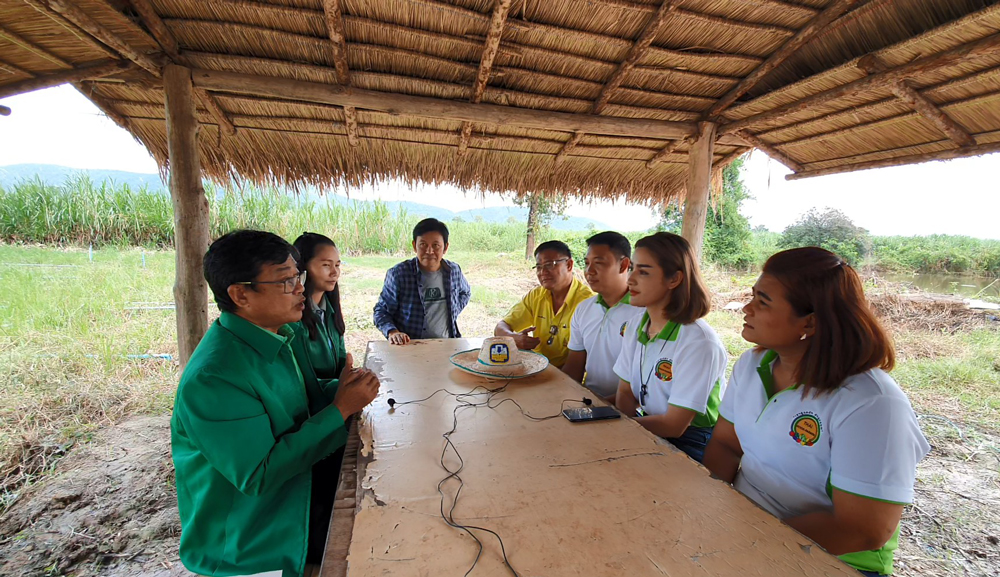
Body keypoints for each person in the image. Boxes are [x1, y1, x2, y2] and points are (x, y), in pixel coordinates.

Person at [703, 247, 929, 577]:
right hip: (746, 524)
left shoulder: (870, 403)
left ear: (810, 321)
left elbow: (864, 529)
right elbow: (725, 444)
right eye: (752, 296)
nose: (746, 308)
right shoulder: (753, 365)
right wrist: (709, 505)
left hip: (829, 556)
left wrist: (751, 541)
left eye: (763, 301)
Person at [171, 230, 380, 577]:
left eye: (297, 276)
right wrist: (341, 408)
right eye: (285, 282)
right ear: (241, 294)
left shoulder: (279, 333)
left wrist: (342, 389)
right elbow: (259, 475)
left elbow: (307, 397)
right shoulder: (215, 377)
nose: (300, 288)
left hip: (300, 486)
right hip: (256, 534)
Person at [613, 232, 726, 462]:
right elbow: (625, 392)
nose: (630, 279)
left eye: (643, 272)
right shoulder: (637, 325)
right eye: (632, 268)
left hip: (690, 439)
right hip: (646, 422)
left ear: (674, 279)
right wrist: (622, 436)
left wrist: (619, 431)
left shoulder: (699, 342)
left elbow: (675, 426)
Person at [563, 231, 642, 403]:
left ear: (623, 265)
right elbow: (574, 367)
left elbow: (644, 385)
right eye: (586, 263)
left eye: (598, 263)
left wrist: (602, 404)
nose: (589, 271)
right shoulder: (584, 309)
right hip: (589, 401)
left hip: (632, 411)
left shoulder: (643, 313)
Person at [495, 240, 594, 368]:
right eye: (539, 267)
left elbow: (579, 365)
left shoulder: (587, 303)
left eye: (549, 265)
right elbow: (500, 328)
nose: (542, 272)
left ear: (569, 265)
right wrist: (513, 338)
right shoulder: (536, 296)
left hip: (567, 377)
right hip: (536, 367)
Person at [373, 218, 471, 345]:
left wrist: (452, 310)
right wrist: (393, 332)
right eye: (423, 245)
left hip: (448, 344)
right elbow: (381, 311)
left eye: (436, 245)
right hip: (410, 346)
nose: (429, 251)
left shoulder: (453, 271)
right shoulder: (399, 274)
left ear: (445, 247)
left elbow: (465, 293)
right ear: (414, 246)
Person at [292, 232, 348, 383]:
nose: (335, 272)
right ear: (302, 267)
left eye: (337, 265)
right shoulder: (293, 318)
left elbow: (342, 360)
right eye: (326, 265)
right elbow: (303, 379)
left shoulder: (330, 310)